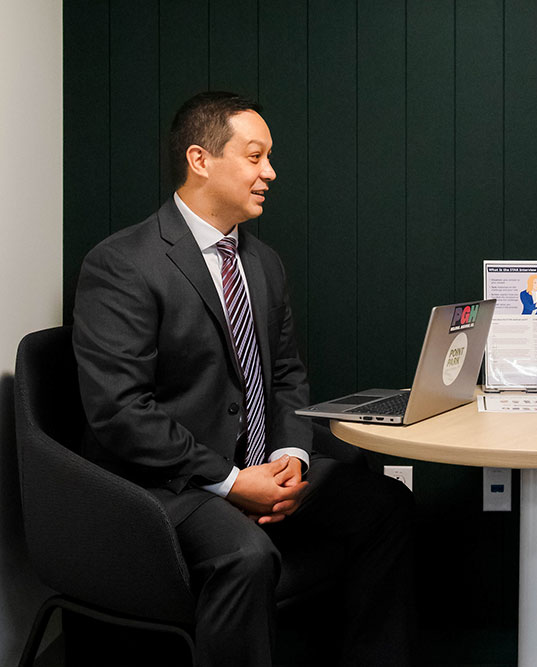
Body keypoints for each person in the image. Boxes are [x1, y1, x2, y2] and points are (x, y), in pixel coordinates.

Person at [73, 91, 415, 667]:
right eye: (255, 157)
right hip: (169, 487)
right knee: (246, 556)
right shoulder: (123, 264)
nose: (270, 173)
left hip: (259, 468)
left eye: (269, 158)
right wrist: (231, 481)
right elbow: (119, 410)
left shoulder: (263, 262)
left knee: (386, 503)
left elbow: (285, 374)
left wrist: (291, 459)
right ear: (200, 160)